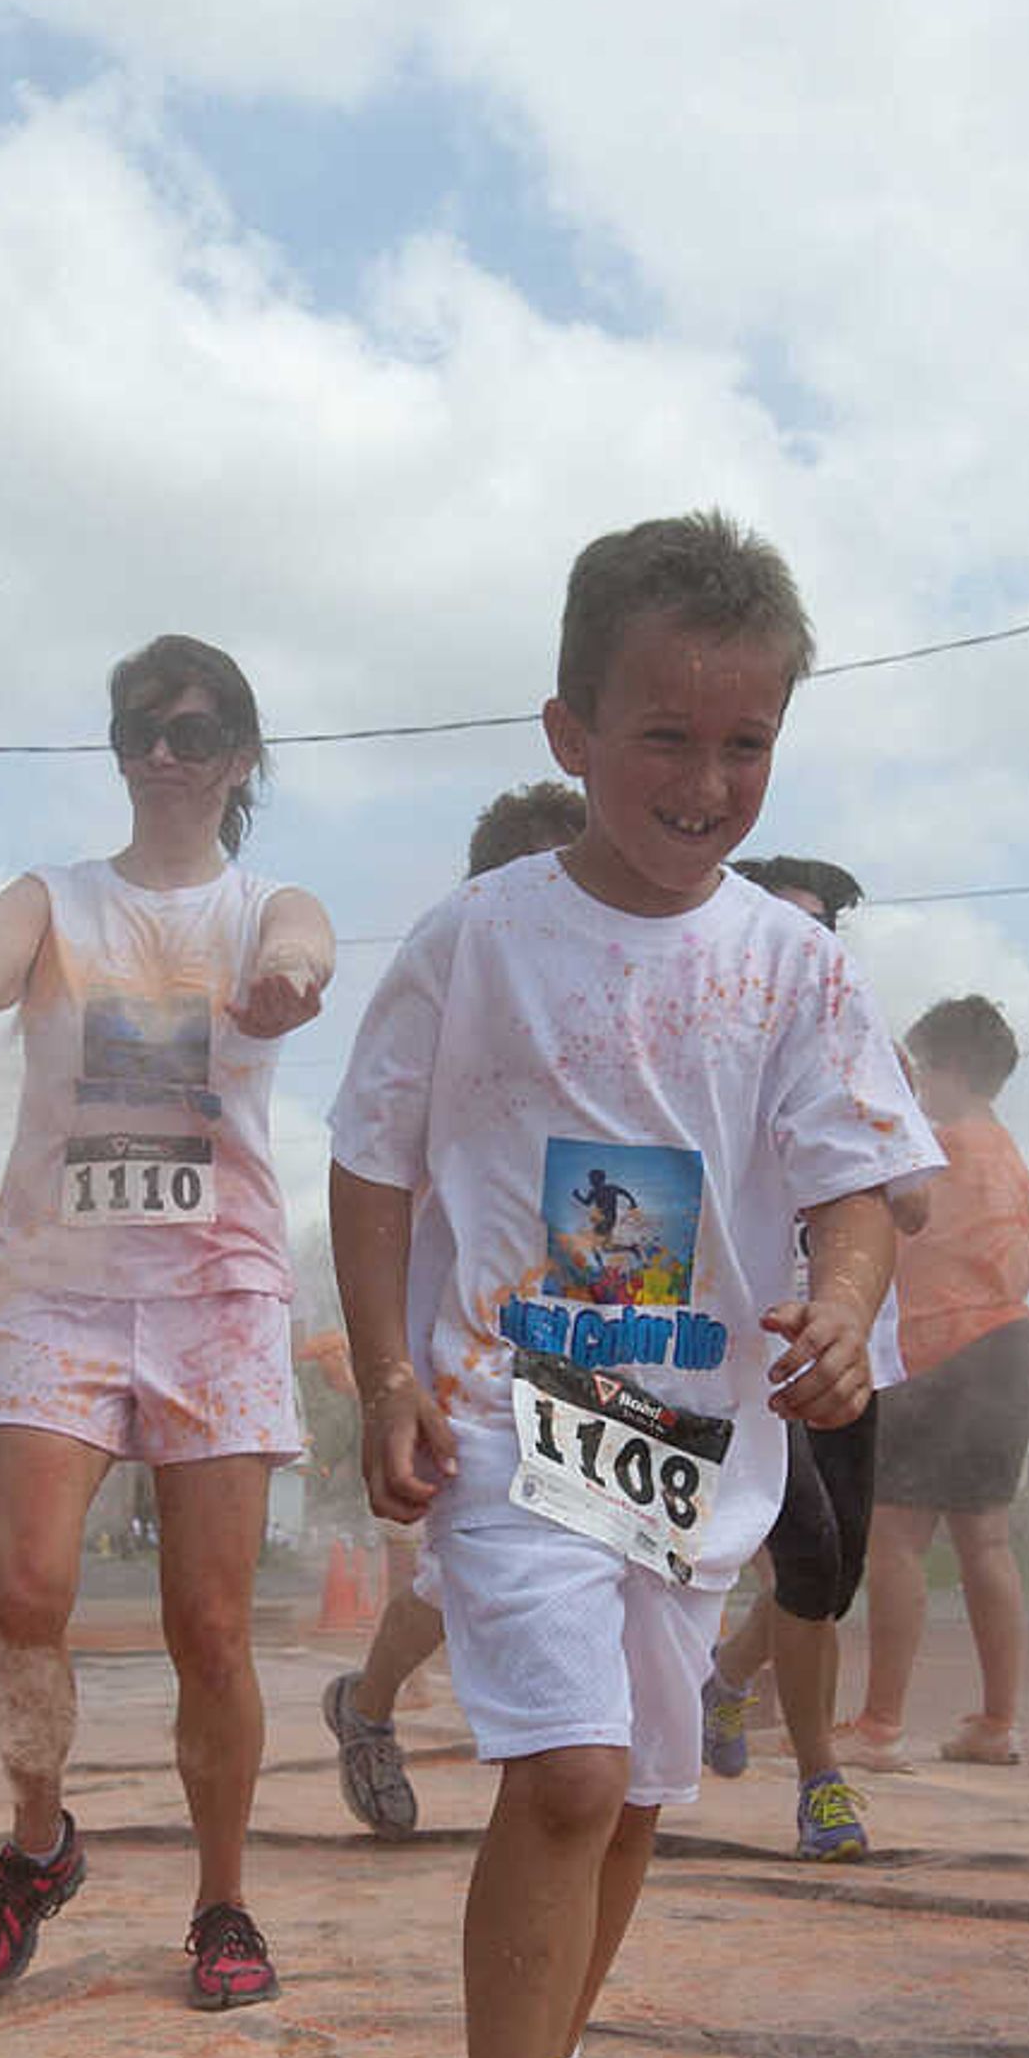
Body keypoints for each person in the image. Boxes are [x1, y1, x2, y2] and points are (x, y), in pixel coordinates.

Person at [331, 512, 933, 2058]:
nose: (707, 782)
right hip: (516, 1412)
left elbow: (858, 1185)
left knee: (648, 1785)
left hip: (691, 1441)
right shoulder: (476, 940)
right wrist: (383, 1373)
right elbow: (368, 1157)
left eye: (746, 744)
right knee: (572, 1772)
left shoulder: (795, 965)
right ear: (572, 727)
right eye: (666, 737)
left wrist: (840, 1308)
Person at [0, 635, 332, 2011]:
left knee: (210, 1629)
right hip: (57, 1289)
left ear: (237, 758)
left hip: (216, 1294)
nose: (162, 753)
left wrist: (292, 974)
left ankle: (223, 1901)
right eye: (140, 730)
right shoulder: (55, 900)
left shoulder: (263, 904)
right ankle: (40, 1845)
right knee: (25, 1596)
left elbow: (303, 942)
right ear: (120, 753)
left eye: (192, 731)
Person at [323, 778, 590, 1841]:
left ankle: (570, 1776)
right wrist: (390, 1371)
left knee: (595, 1564)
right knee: (456, 1574)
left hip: (608, 1333)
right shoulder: (449, 993)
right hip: (468, 1344)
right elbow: (372, 1162)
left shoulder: (647, 1005)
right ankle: (372, 1705)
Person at [692, 853, 921, 1861]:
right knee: (804, 1558)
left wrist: (859, 1141)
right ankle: (822, 1783)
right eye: (782, 923)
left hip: (845, 1348)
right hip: (733, 1357)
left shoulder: (866, 1049)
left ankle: (729, 1682)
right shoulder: (700, 1036)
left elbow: (912, 1203)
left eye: (820, 927)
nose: (802, 943)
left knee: (826, 1581)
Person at [842, 994, 1029, 1770]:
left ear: (950, 1070)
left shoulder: (944, 1145)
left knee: (894, 1536)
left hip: (945, 1348)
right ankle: (997, 1723)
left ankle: (880, 1725)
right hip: (1009, 1344)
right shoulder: (1009, 1155)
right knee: (984, 1538)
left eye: (923, 1069)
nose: (917, 1082)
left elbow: (888, 1179)